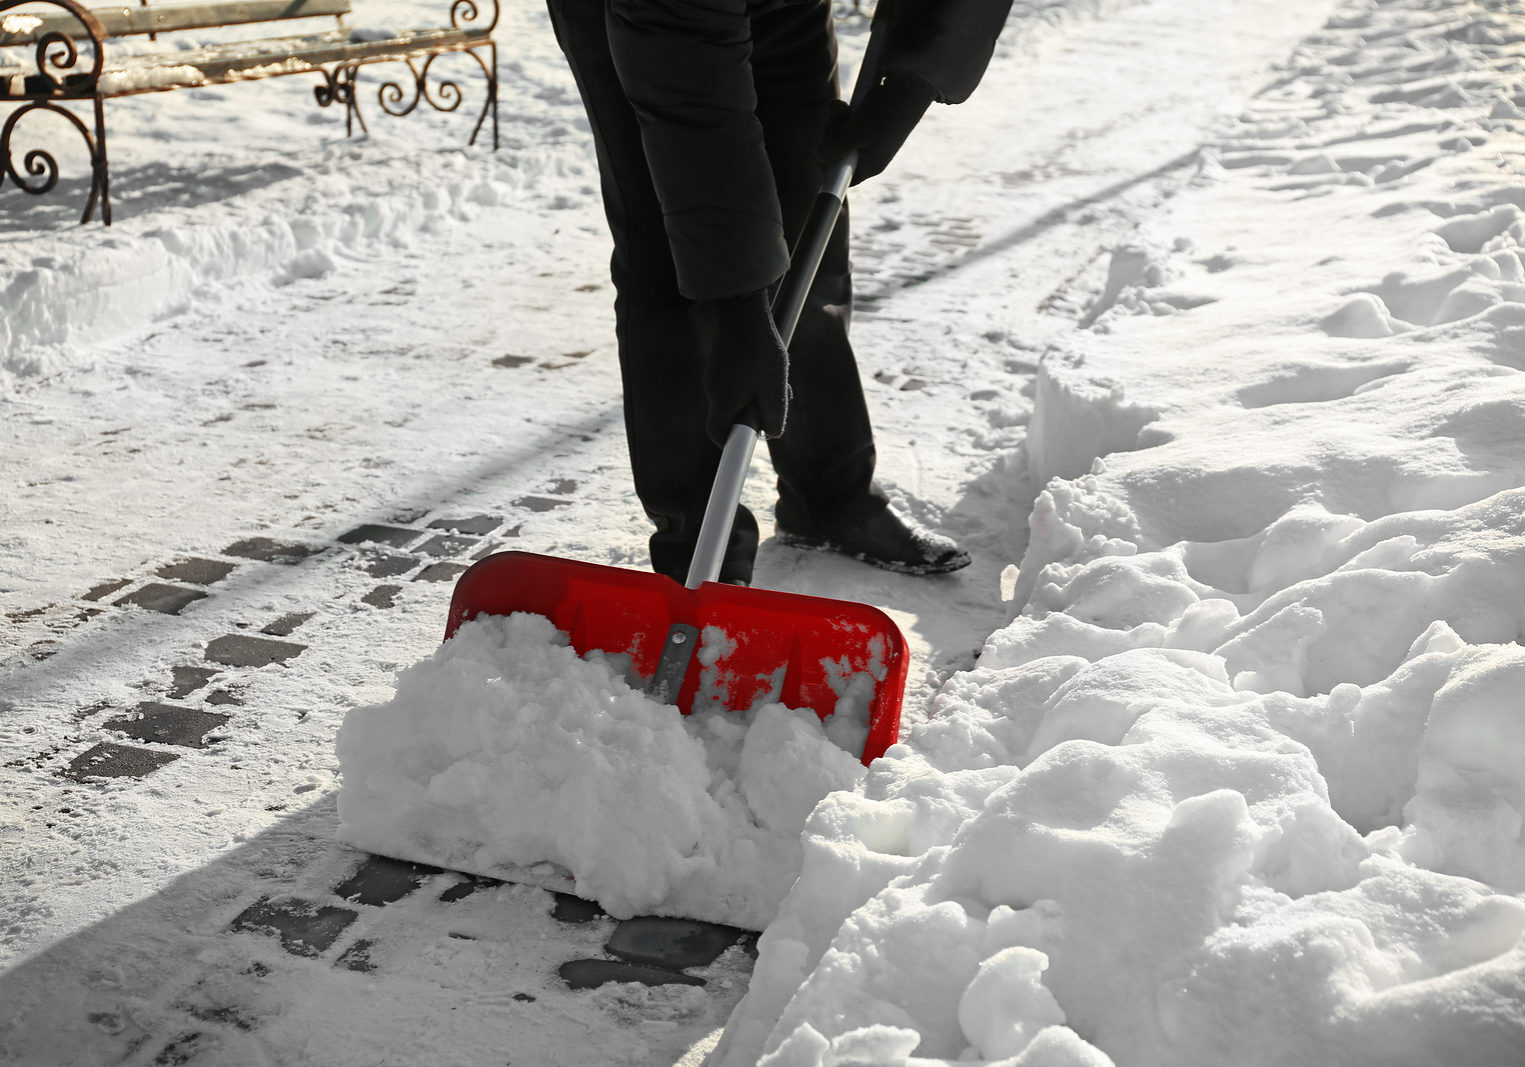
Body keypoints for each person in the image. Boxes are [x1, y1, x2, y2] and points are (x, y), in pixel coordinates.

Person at [545, 0, 1013, 585]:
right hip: (651, 21)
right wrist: (739, 310)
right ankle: (700, 549)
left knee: (807, 216)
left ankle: (829, 498)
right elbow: (693, 112)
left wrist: (917, 77)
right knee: (671, 249)